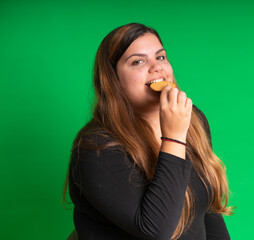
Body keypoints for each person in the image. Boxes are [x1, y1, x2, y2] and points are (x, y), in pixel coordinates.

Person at [63, 23, 233, 240]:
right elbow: (156, 230)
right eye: (138, 61)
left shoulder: (191, 119)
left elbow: (206, 209)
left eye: (160, 57)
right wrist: (174, 137)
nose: (157, 67)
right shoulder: (95, 147)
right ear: (113, 80)